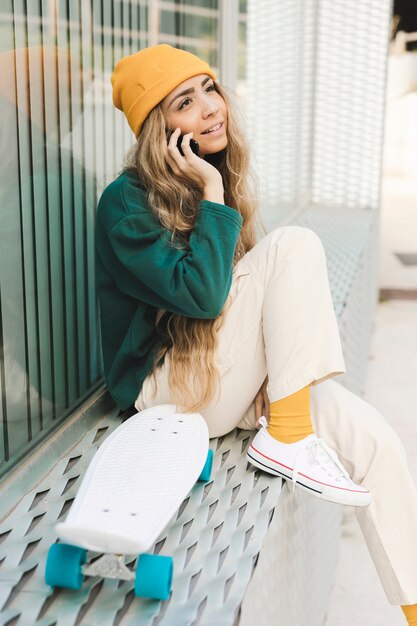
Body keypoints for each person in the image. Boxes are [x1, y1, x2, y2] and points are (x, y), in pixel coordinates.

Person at [95, 44, 417, 623]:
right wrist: (214, 198)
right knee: (294, 245)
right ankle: (289, 437)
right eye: (184, 103)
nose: (210, 109)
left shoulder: (210, 174)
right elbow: (202, 296)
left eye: (210, 89)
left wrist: (215, 189)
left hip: (223, 372)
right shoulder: (124, 203)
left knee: (379, 446)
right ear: (158, 129)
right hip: (167, 395)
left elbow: (242, 312)